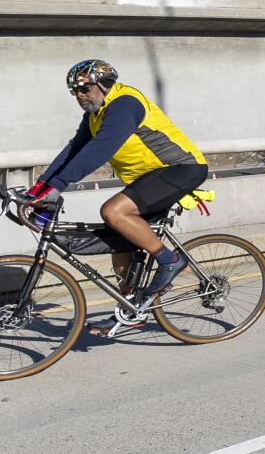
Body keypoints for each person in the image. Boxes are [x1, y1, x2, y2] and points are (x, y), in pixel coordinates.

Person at [22, 59, 208, 311]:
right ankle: (131, 307)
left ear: (104, 85)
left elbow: (101, 148)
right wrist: (41, 186)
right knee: (121, 242)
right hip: (149, 177)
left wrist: (59, 185)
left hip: (179, 170)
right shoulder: (94, 114)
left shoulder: (124, 105)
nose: (79, 95)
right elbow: (74, 149)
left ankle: (170, 260)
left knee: (113, 211)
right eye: (74, 92)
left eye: (84, 89)